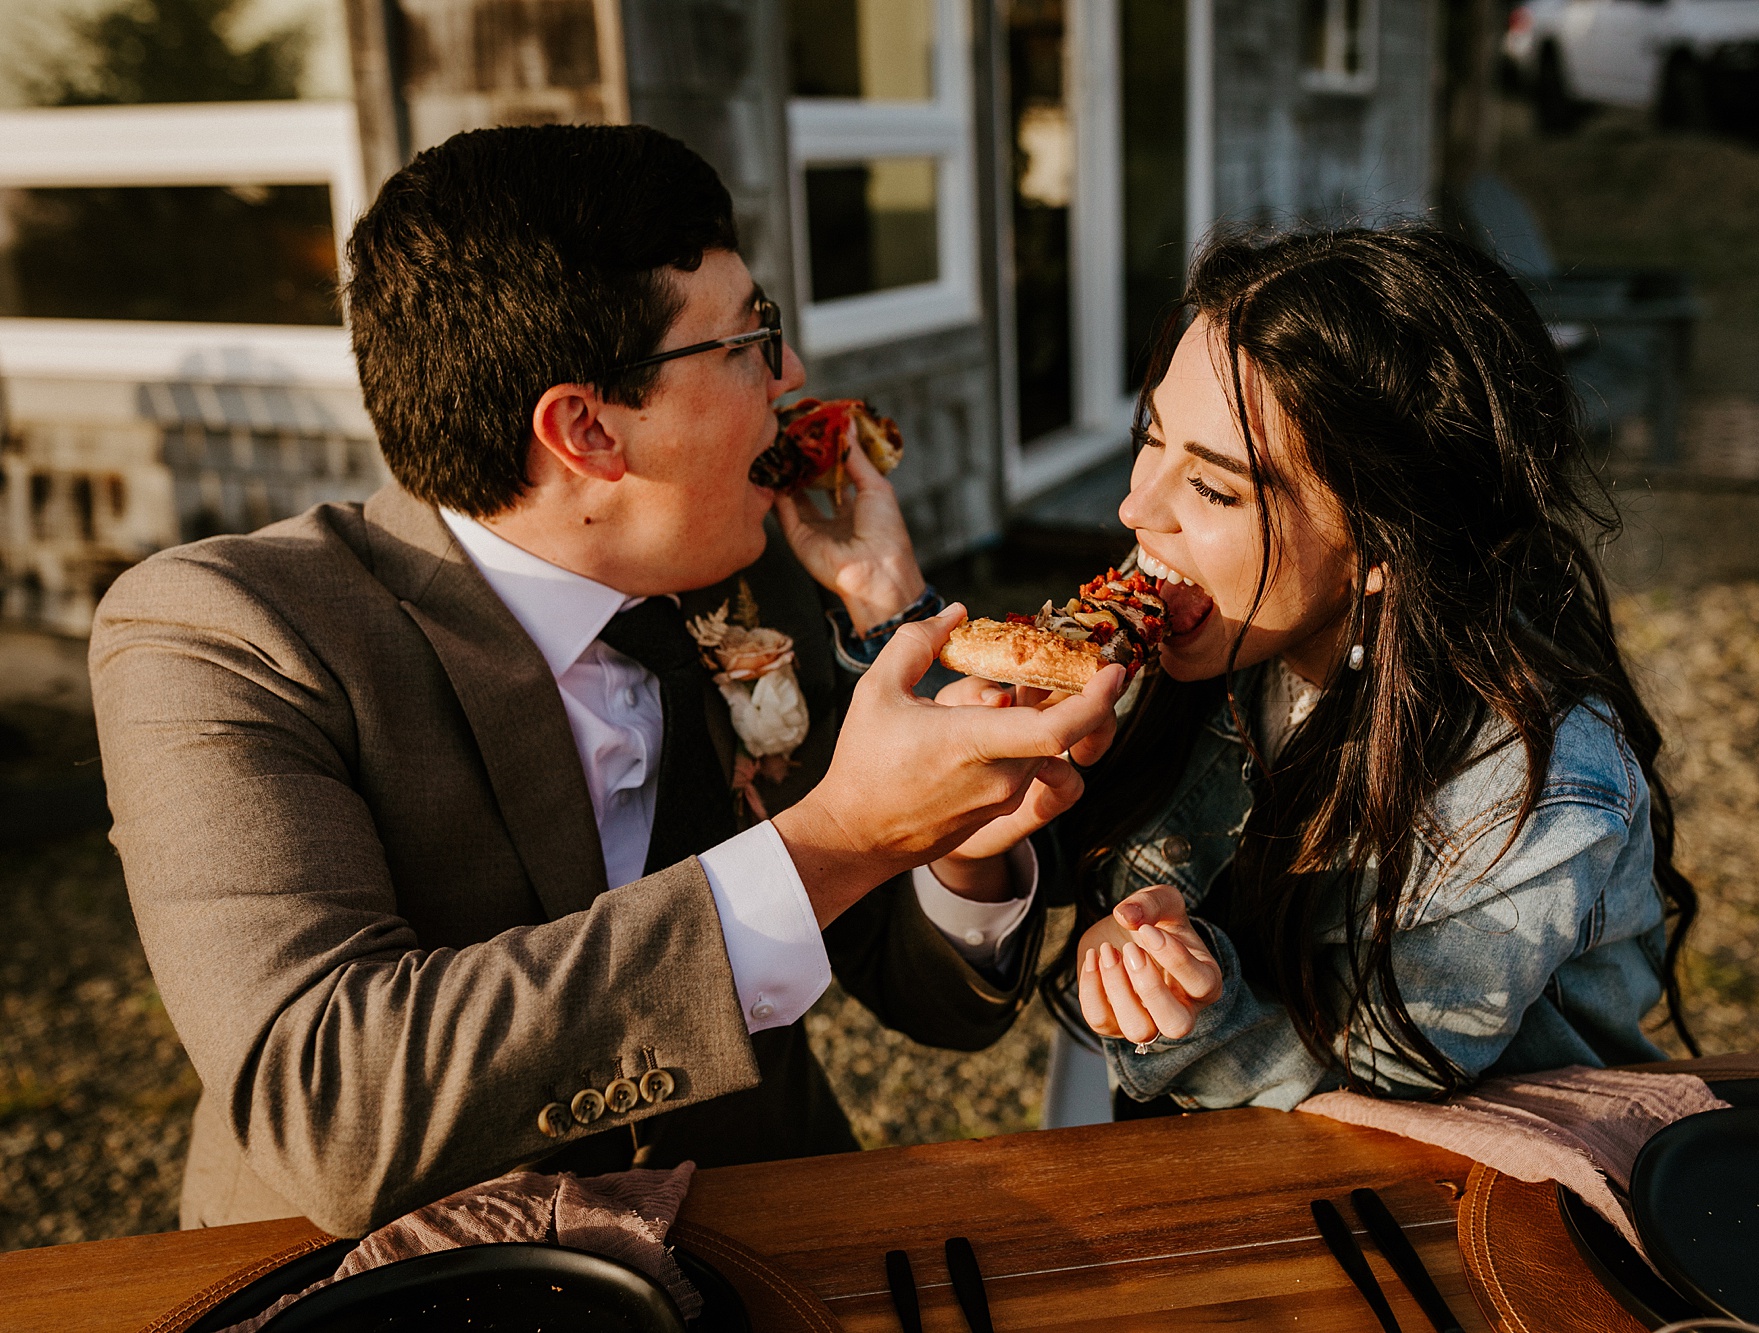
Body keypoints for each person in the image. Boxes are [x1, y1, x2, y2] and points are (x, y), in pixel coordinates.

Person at [88, 123, 1120, 1235]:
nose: (792, 374)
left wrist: (952, 831)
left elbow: (930, 1000)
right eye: (745, 340)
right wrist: (836, 840)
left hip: (757, 1233)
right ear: (583, 428)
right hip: (402, 1288)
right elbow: (336, 1105)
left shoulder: (747, 574)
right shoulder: (222, 636)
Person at [945, 225, 1699, 1113]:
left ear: (1383, 545)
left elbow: (1387, 1099)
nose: (1135, 505)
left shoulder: (1531, 785)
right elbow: (1052, 863)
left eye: (1215, 488)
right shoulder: (1201, 646)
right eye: (1153, 439)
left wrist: (1190, 1007)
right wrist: (974, 843)